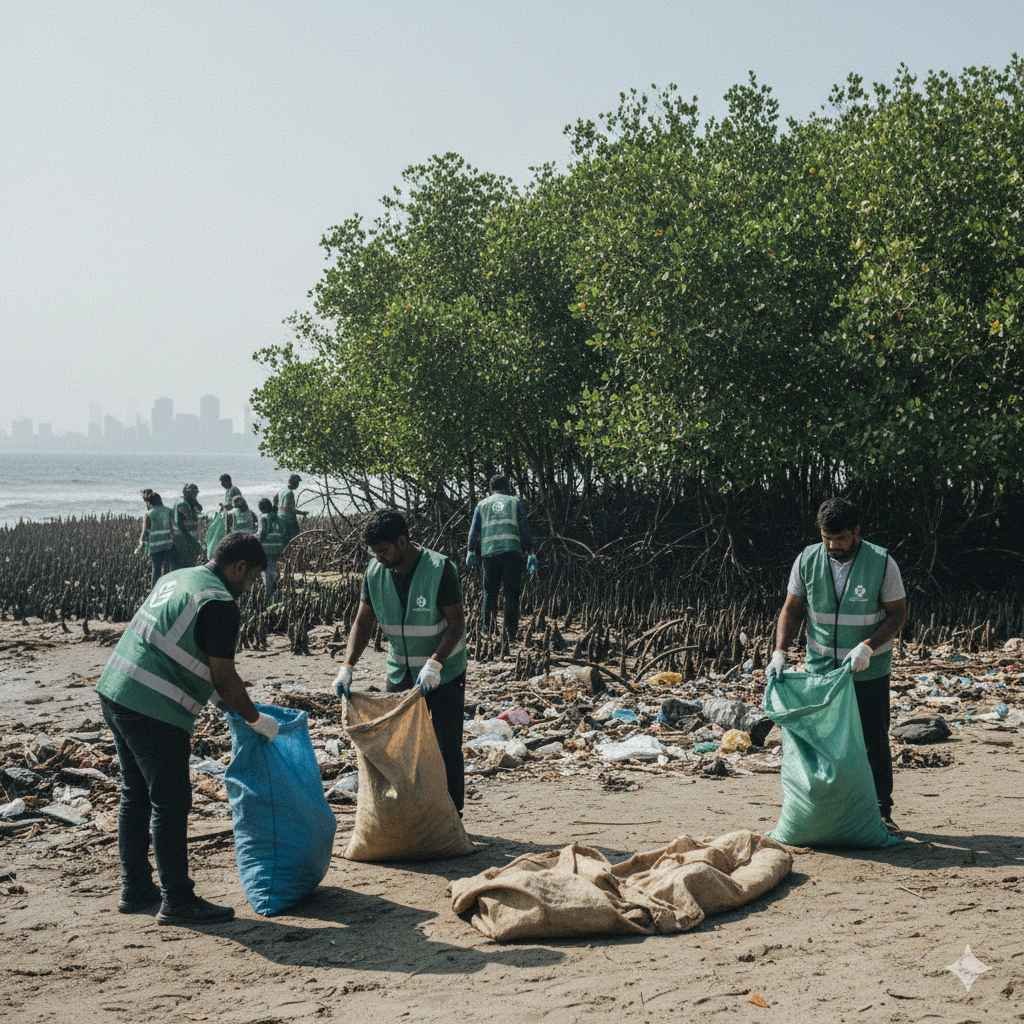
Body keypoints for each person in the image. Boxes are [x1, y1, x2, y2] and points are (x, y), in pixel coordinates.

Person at [96, 534, 278, 925]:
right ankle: (177, 899)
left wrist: (222, 703)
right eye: (249, 580)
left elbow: (181, 649)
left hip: (116, 689)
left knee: (136, 794)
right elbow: (225, 677)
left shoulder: (181, 578)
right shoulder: (219, 604)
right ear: (238, 568)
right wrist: (255, 720)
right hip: (152, 706)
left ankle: (135, 889)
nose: (248, 590)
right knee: (171, 801)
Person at [768, 497, 908, 833]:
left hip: (866, 670)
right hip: (822, 673)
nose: (834, 545)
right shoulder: (807, 560)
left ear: (856, 532)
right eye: (827, 538)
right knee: (822, 742)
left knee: (873, 738)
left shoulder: (881, 562)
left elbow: (898, 613)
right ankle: (828, 810)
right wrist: (780, 651)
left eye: (841, 538)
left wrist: (868, 647)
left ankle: (880, 810)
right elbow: (791, 609)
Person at [333, 510, 468, 813]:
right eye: (374, 552)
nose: (378, 557)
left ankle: (452, 815)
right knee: (398, 746)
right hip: (400, 672)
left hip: (443, 673)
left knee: (446, 745)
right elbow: (362, 622)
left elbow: (457, 624)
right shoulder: (374, 572)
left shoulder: (439, 568)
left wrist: (436, 663)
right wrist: (347, 666)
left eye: (383, 550)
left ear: (403, 541)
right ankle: (410, 812)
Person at [467, 475, 537, 641]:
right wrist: (531, 552)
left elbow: (474, 530)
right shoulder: (515, 502)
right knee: (511, 593)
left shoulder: (482, 504)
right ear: (507, 487)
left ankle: (488, 630)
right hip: (512, 553)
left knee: (489, 592)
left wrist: (470, 550)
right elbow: (524, 528)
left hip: (489, 553)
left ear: (491, 488)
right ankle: (510, 633)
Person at [136, 492, 175, 586]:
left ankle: (154, 591)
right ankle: (166, 589)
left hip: (155, 546)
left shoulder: (149, 514)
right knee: (167, 569)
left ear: (150, 502)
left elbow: (146, 532)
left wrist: (141, 544)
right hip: (168, 544)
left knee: (156, 569)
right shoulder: (169, 511)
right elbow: (173, 527)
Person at [257, 497, 286, 597]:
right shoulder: (277, 517)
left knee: (267, 570)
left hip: (267, 548)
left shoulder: (263, 517)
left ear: (261, 508)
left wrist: (256, 542)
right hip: (277, 546)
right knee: (273, 567)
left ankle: (269, 593)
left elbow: (262, 533)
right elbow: (283, 530)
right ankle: (275, 589)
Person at [172, 483, 203, 569]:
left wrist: (195, 502)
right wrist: (191, 540)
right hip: (183, 538)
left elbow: (200, 508)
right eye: (193, 494)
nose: (195, 495)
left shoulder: (189, 502)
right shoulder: (183, 504)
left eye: (196, 494)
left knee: (188, 563)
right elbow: (180, 524)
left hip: (186, 538)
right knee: (185, 564)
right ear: (187, 493)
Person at [275, 473, 308, 545]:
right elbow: (289, 509)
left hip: (280, 518)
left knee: (284, 540)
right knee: (294, 540)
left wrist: (277, 511)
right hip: (289, 520)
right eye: (298, 482)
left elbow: (275, 500)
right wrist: (302, 513)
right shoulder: (290, 493)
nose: (298, 485)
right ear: (294, 482)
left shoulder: (282, 490)